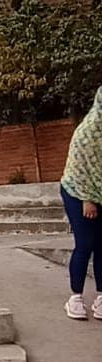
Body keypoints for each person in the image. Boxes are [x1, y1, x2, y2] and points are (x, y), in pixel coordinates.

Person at [60, 85, 102, 320]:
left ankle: (101, 298)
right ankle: (75, 297)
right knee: (85, 243)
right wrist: (88, 199)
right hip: (78, 192)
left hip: (100, 191)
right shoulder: (88, 132)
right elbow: (79, 168)